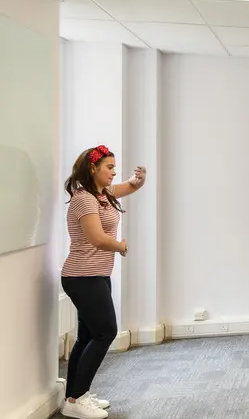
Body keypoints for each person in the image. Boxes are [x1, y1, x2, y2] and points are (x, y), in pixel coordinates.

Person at [60, 145, 146, 419]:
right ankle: (75, 398)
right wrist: (121, 245)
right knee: (106, 332)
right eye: (109, 167)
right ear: (93, 168)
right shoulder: (84, 198)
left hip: (95, 275)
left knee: (86, 336)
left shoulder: (102, 194)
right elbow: (97, 238)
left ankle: (76, 394)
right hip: (82, 276)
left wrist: (137, 181)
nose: (114, 171)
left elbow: (126, 188)